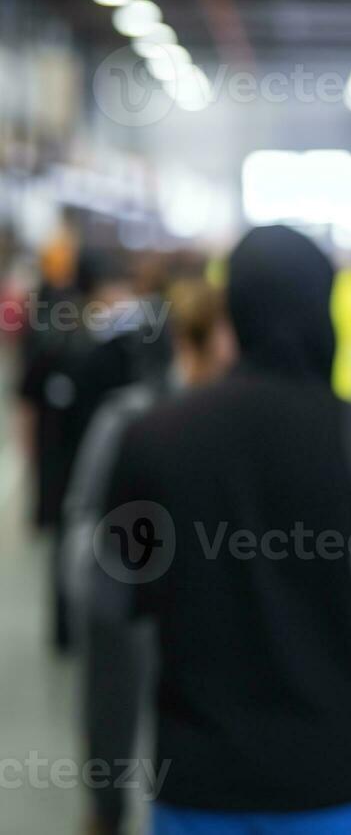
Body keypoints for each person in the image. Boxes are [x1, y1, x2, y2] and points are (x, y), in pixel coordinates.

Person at [94, 226, 351, 835]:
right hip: (340, 776)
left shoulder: (152, 437)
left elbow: (109, 599)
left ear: (235, 311)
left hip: (198, 777)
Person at [66, 278, 234, 835]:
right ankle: (107, 812)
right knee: (113, 713)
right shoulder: (129, 417)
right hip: (132, 607)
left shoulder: (234, 418)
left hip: (207, 618)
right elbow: (87, 517)